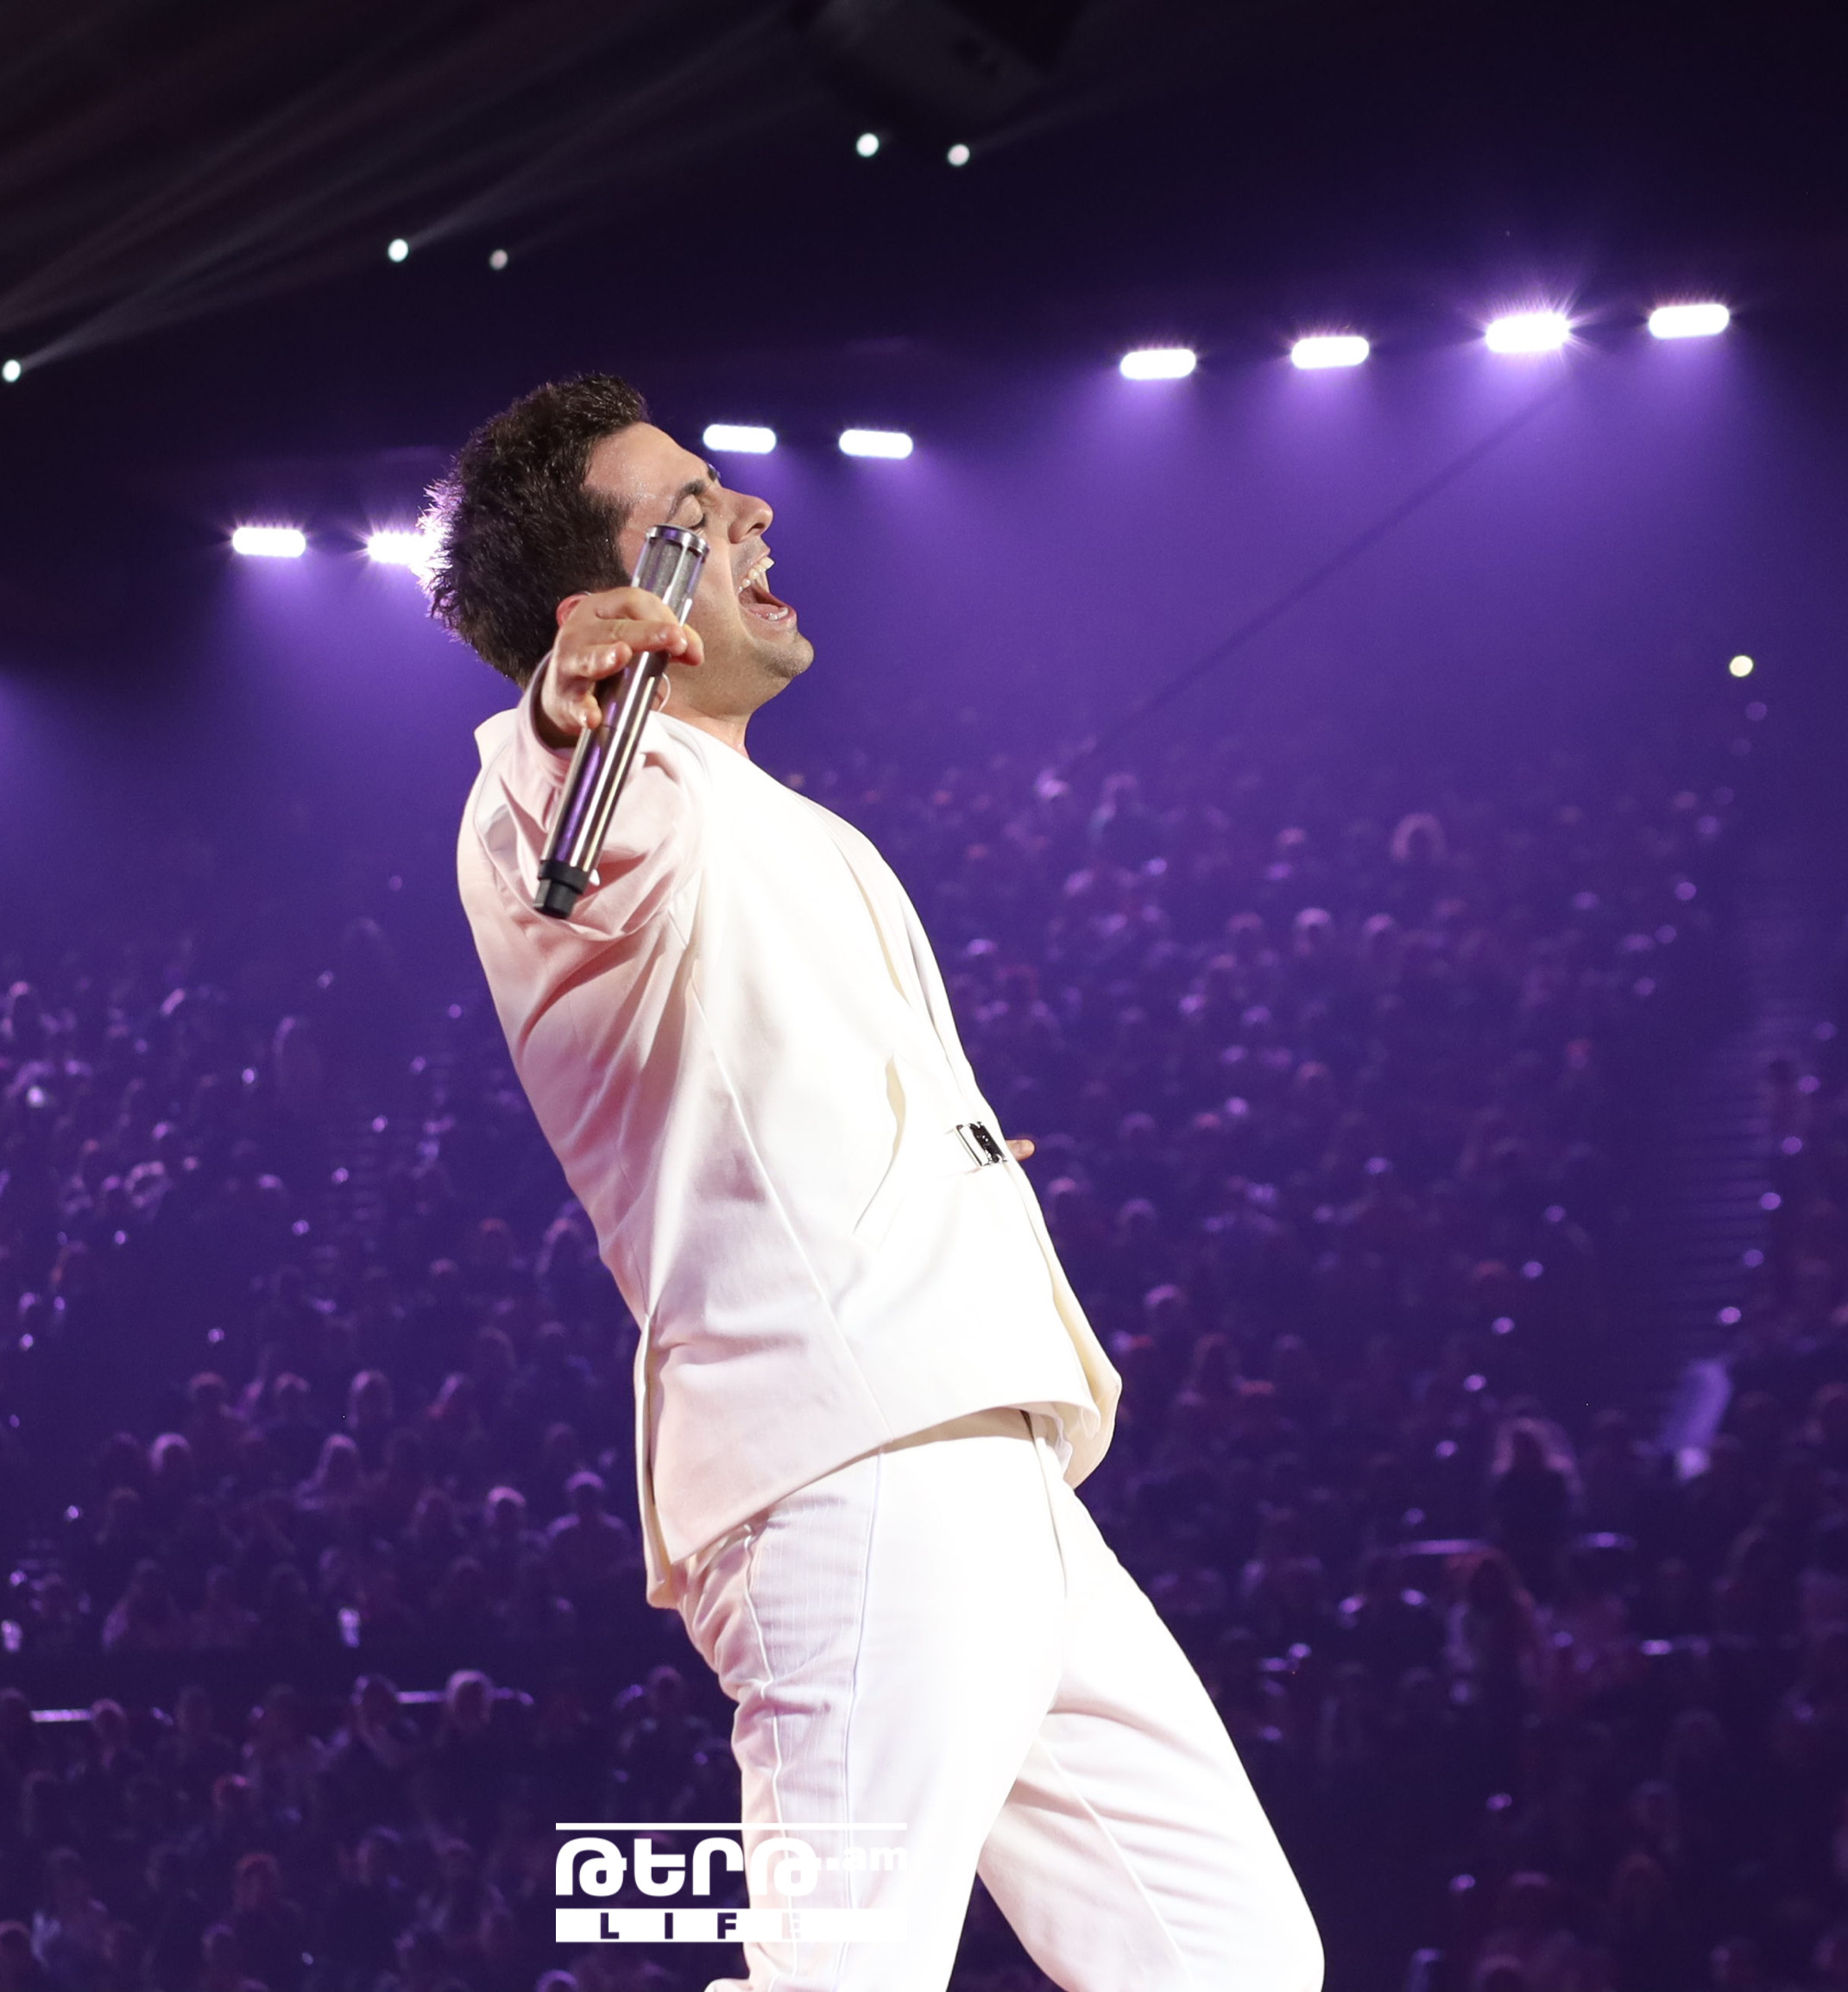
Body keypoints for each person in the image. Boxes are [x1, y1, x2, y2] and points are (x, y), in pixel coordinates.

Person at [436, 375, 1319, 1989]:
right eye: (688, 512)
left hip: (990, 1469)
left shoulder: (780, 820)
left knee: (1236, 1964)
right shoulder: (601, 792)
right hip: (853, 1475)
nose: (750, 510)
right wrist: (571, 710)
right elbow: (565, 820)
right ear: (607, 609)